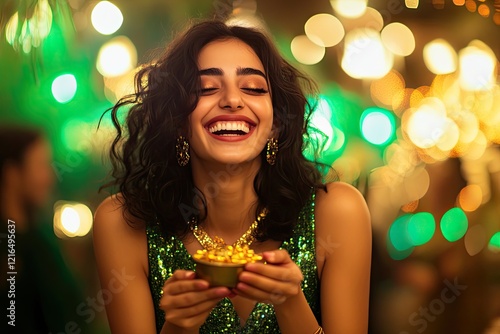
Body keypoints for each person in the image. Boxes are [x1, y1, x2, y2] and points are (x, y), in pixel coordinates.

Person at [93, 20, 371, 334]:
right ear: (179, 122)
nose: (232, 101)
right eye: (206, 89)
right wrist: (179, 325)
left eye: (253, 88)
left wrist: (290, 302)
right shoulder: (122, 223)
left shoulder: (338, 212)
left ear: (276, 124)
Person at [0, 126, 89, 333]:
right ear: (12, 174)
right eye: (41, 166)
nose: (50, 177)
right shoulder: (11, 246)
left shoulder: (39, 237)